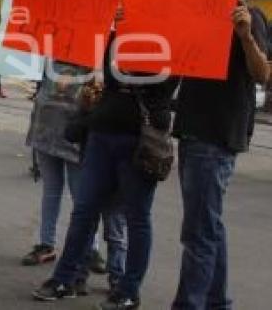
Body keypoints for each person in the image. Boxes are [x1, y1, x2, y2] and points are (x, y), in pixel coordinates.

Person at [33, 35, 178, 309]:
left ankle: (128, 290)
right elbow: (112, 76)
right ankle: (65, 278)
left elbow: (165, 85)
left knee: (136, 218)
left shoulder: (171, 36)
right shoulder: (119, 33)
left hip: (141, 140)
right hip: (103, 133)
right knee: (84, 210)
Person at [171, 0, 270, 310]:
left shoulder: (252, 17)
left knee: (198, 231)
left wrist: (244, 36)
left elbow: (263, 75)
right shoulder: (200, 15)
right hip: (193, 129)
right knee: (208, 225)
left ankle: (191, 304)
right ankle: (217, 301)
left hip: (216, 135)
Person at [23, 60, 127, 295]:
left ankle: (91, 250)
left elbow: (99, 92)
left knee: (83, 200)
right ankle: (46, 243)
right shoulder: (51, 53)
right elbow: (41, 85)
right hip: (46, 127)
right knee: (52, 191)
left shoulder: (97, 54)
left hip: (76, 134)